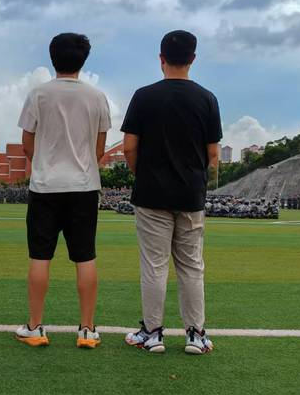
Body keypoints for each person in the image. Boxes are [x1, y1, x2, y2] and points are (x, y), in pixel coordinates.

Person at [122, 30, 221, 355]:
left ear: (161, 58)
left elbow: (129, 147)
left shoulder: (144, 96)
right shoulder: (207, 99)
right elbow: (213, 153)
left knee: (154, 265)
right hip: (190, 195)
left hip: (151, 195)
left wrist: (142, 174)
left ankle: (152, 333)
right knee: (191, 266)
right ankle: (196, 334)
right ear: (193, 59)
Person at [14, 33, 111, 348]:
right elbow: (99, 148)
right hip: (83, 186)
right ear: (84, 59)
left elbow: (27, 143)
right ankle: (87, 329)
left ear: (52, 57)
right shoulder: (97, 97)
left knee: (40, 256)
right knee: (85, 256)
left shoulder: (38, 94)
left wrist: (44, 164)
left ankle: (35, 326)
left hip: (45, 187)